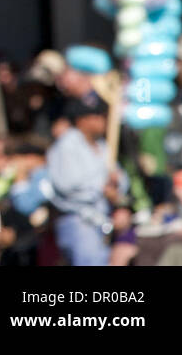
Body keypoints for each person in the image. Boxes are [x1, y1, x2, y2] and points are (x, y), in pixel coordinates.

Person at [46, 96, 124, 266]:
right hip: (79, 221)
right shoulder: (66, 146)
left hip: (103, 219)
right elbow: (65, 185)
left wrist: (117, 185)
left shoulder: (103, 146)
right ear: (82, 120)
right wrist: (101, 187)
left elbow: (120, 179)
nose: (103, 121)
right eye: (97, 116)